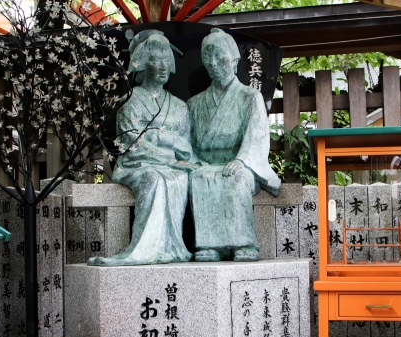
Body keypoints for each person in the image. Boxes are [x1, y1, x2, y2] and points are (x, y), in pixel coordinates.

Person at [88, 30, 196, 266]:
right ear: (144, 64)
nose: (163, 66)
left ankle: (171, 246)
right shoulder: (131, 101)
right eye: (156, 60)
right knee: (153, 179)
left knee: (179, 179)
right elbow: (132, 142)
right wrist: (168, 150)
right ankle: (142, 249)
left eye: (166, 60)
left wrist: (160, 139)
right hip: (138, 165)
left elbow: (186, 146)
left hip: (173, 167)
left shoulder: (179, 106)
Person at [187, 28, 281, 262]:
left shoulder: (250, 97)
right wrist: (195, 161)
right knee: (199, 177)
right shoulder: (195, 104)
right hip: (206, 163)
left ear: (234, 60)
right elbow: (186, 142)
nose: (213, 62)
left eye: (219, 55)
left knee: (237, 178)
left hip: (240, 163)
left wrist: (242, 161)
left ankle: (244, 243)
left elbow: (256, 136)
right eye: (207, 56)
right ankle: (208, 246)